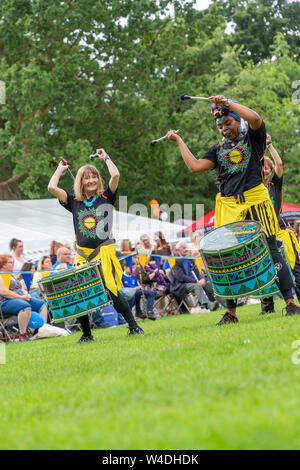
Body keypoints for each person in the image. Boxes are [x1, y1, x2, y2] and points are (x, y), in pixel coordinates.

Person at [166, 94, 300, 324]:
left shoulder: (253, 139)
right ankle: (231, 312)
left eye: (227, 123)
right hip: (229, 207)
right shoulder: (218, 149)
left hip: (256, 202)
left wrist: (227, 103)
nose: (224, 129)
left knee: (270, 251)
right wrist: (179, 140)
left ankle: (290, 303)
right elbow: (195, 167)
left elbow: (256, 118)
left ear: (238, 121)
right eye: (219, 126)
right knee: (228, 259)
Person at [48, 148, 144, 342]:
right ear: (81, 181)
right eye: (86, 178)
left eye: (94, 177)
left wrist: (106, 157)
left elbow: (115, 174)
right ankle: (86, 334)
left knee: (111, 289)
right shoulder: (74, 201)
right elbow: (52, 187)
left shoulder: (106, 197)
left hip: (104, 253)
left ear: (98, 179)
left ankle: (134, 326)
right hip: (83, 255)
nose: (91, 181)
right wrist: (60, 169)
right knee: (80, 292)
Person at [0, 254, 48, 341]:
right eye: (10, 262)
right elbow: (4, 292)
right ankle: (23, 335)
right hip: (5, 302)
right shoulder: (0, 275)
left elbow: (21, 288)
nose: (13, 264)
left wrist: (26, 295)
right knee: (24, 306)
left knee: (41, 304)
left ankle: (42, 329)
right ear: (3, 265)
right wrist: (21, 297)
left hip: (19, 298)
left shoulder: (11, 275)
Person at [170, 240, 218, 312]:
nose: (186, 250)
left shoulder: (190, 259)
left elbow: (198, 271)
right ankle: (208, 305)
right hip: (181, 285)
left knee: (208, 283)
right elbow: (181, 277)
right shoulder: (175, 261)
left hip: (193, 282)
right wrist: (196, 281)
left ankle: (225, 302)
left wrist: (202, 279)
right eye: (183, 248)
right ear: (178, 250)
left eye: (186, 248)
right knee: (197, 286)